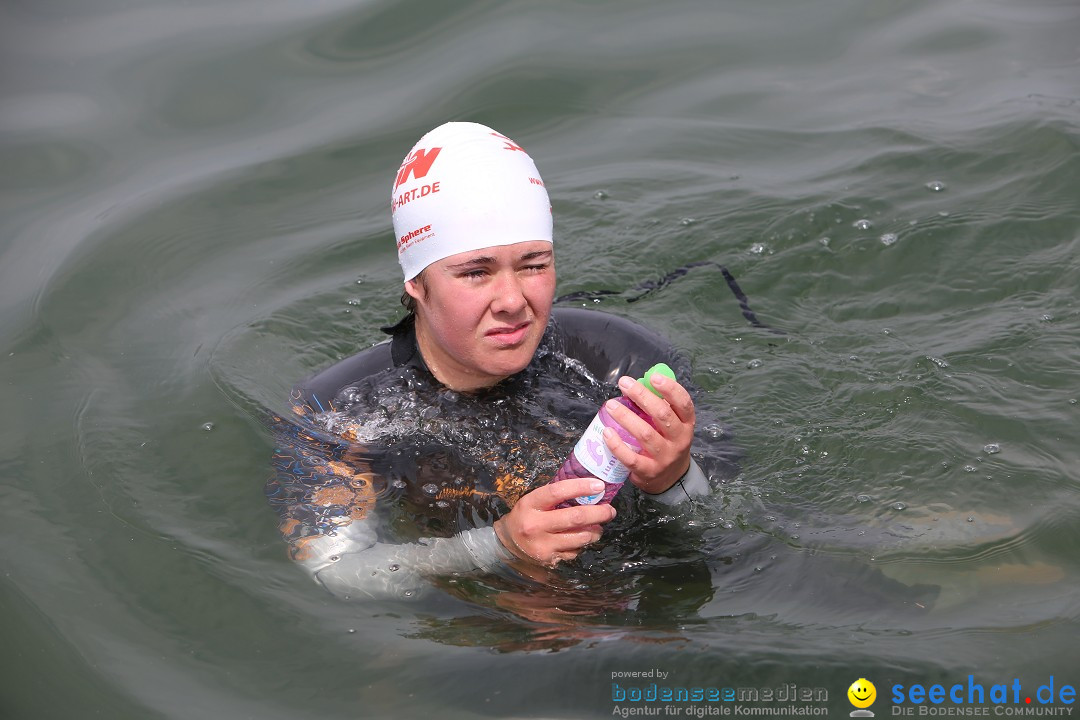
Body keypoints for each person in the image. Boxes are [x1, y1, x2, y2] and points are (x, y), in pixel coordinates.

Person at [267, 122, 716, 600]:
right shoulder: (340, 410)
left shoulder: (620, 361)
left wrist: (675, 480)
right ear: (416, 285)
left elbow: (727, 530)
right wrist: (495, 548)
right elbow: (335, 574)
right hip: (483, 622)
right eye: (476, 272)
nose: (513, 301)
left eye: (534, 265)